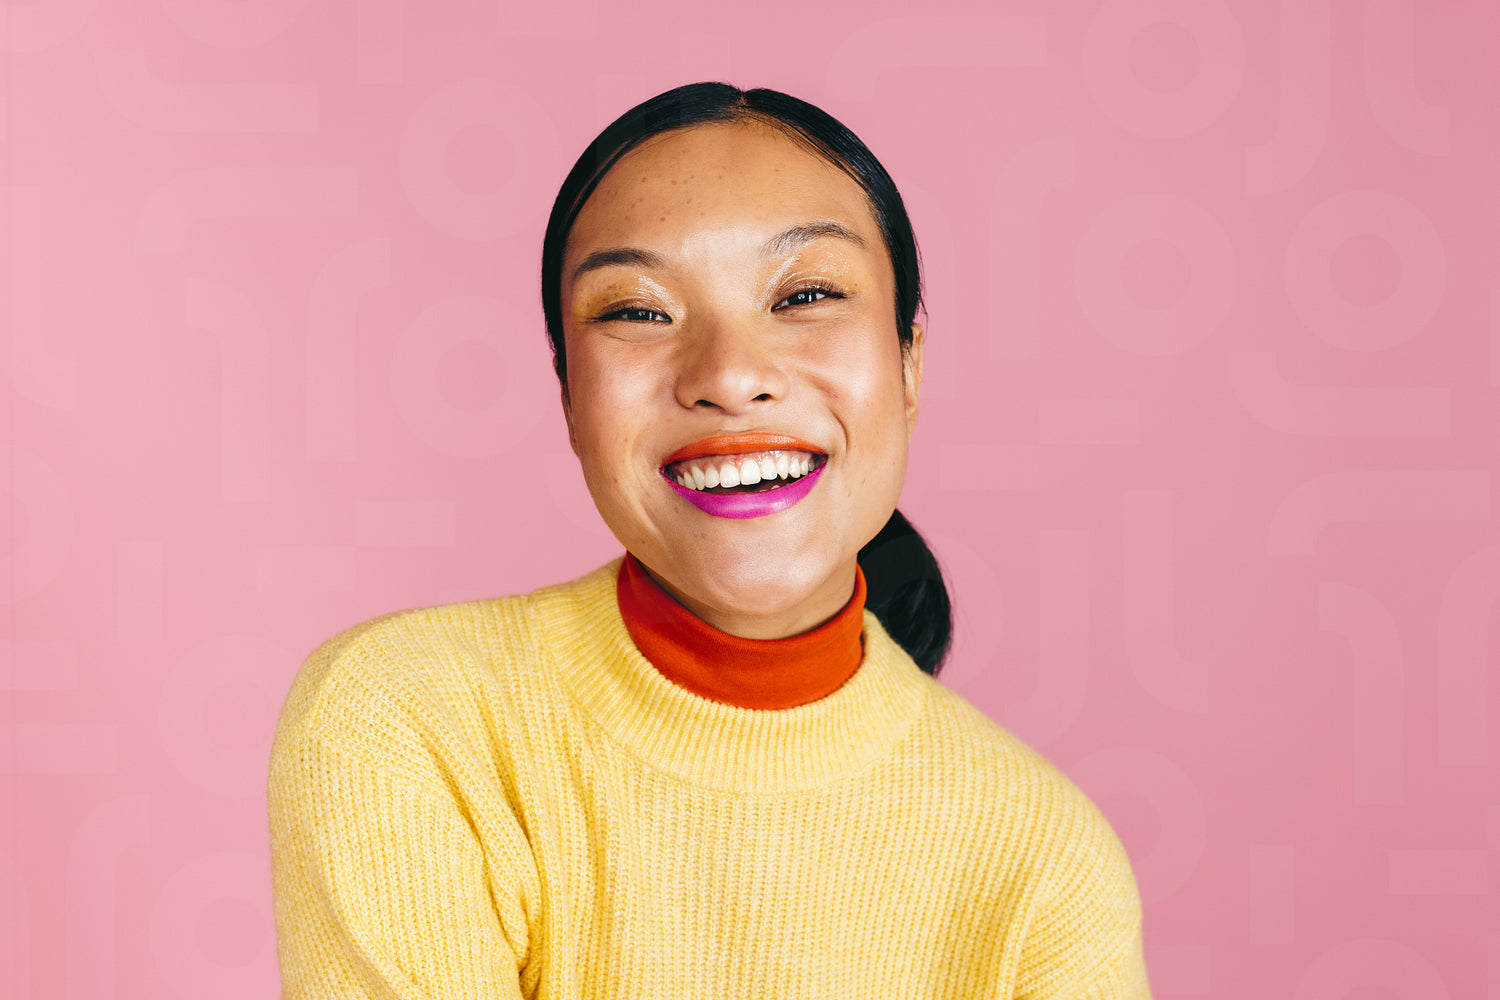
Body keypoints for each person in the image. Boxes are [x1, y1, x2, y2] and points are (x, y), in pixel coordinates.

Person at [269, 82, 1151, 999]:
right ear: (569, 397)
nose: (729, 376)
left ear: (908, 368)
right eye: (637, 311)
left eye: (807, 294)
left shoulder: (1045, 861)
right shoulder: (409, 721)